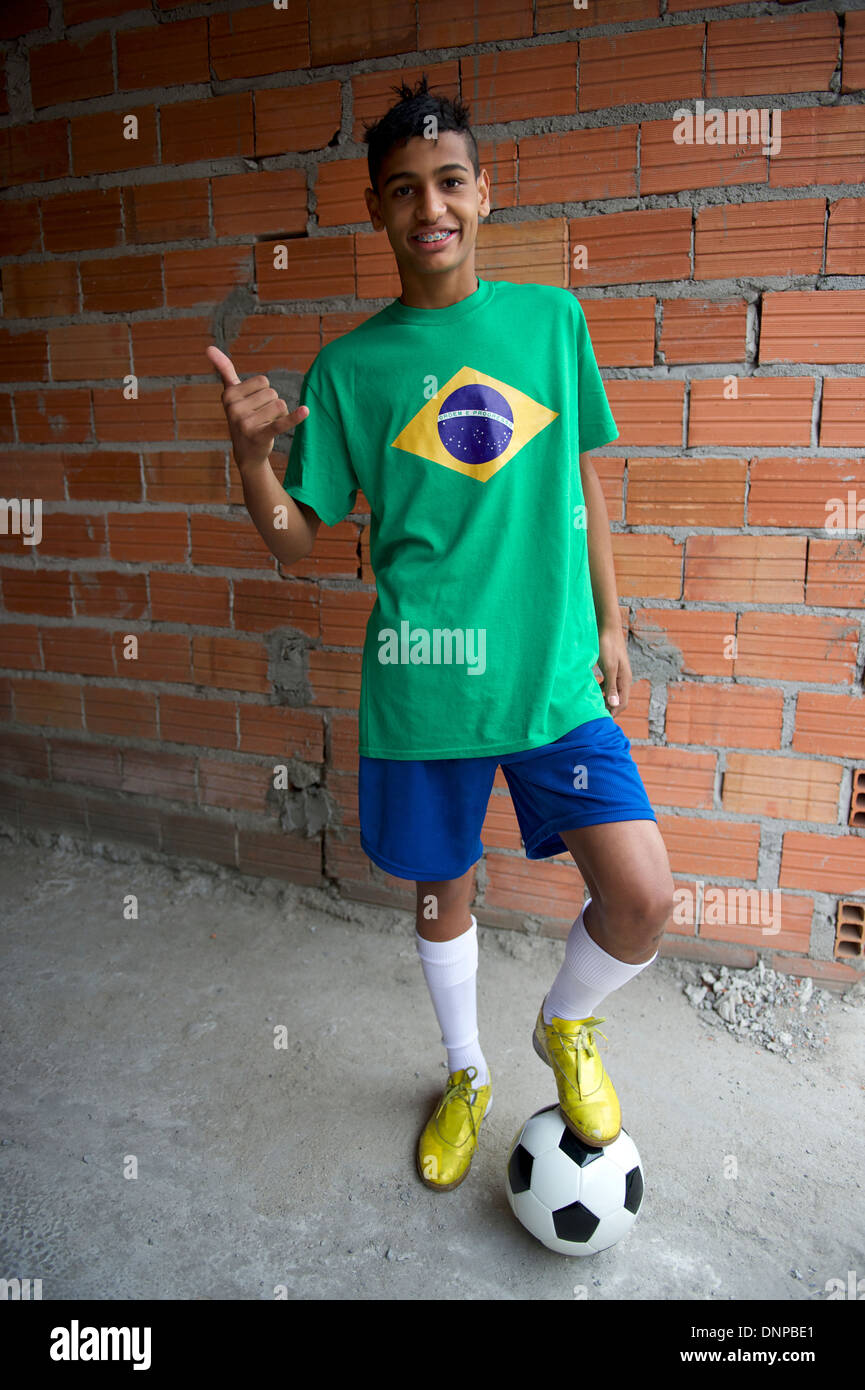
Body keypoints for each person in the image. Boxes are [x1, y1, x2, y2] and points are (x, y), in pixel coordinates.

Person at [207, 73, 675, 1196]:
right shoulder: (352, 368)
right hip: (424, 692)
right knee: (441, 892)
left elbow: (580, 478)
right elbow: (292, 540)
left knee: (643, 894)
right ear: (377, 211)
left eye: (450, 181)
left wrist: (611, 622)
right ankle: (464, 1072)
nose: (432, 206)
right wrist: (252, 458)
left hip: (553, 677)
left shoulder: (550, 322)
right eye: (404, 189)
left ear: (483, 194)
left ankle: (564, 1027)